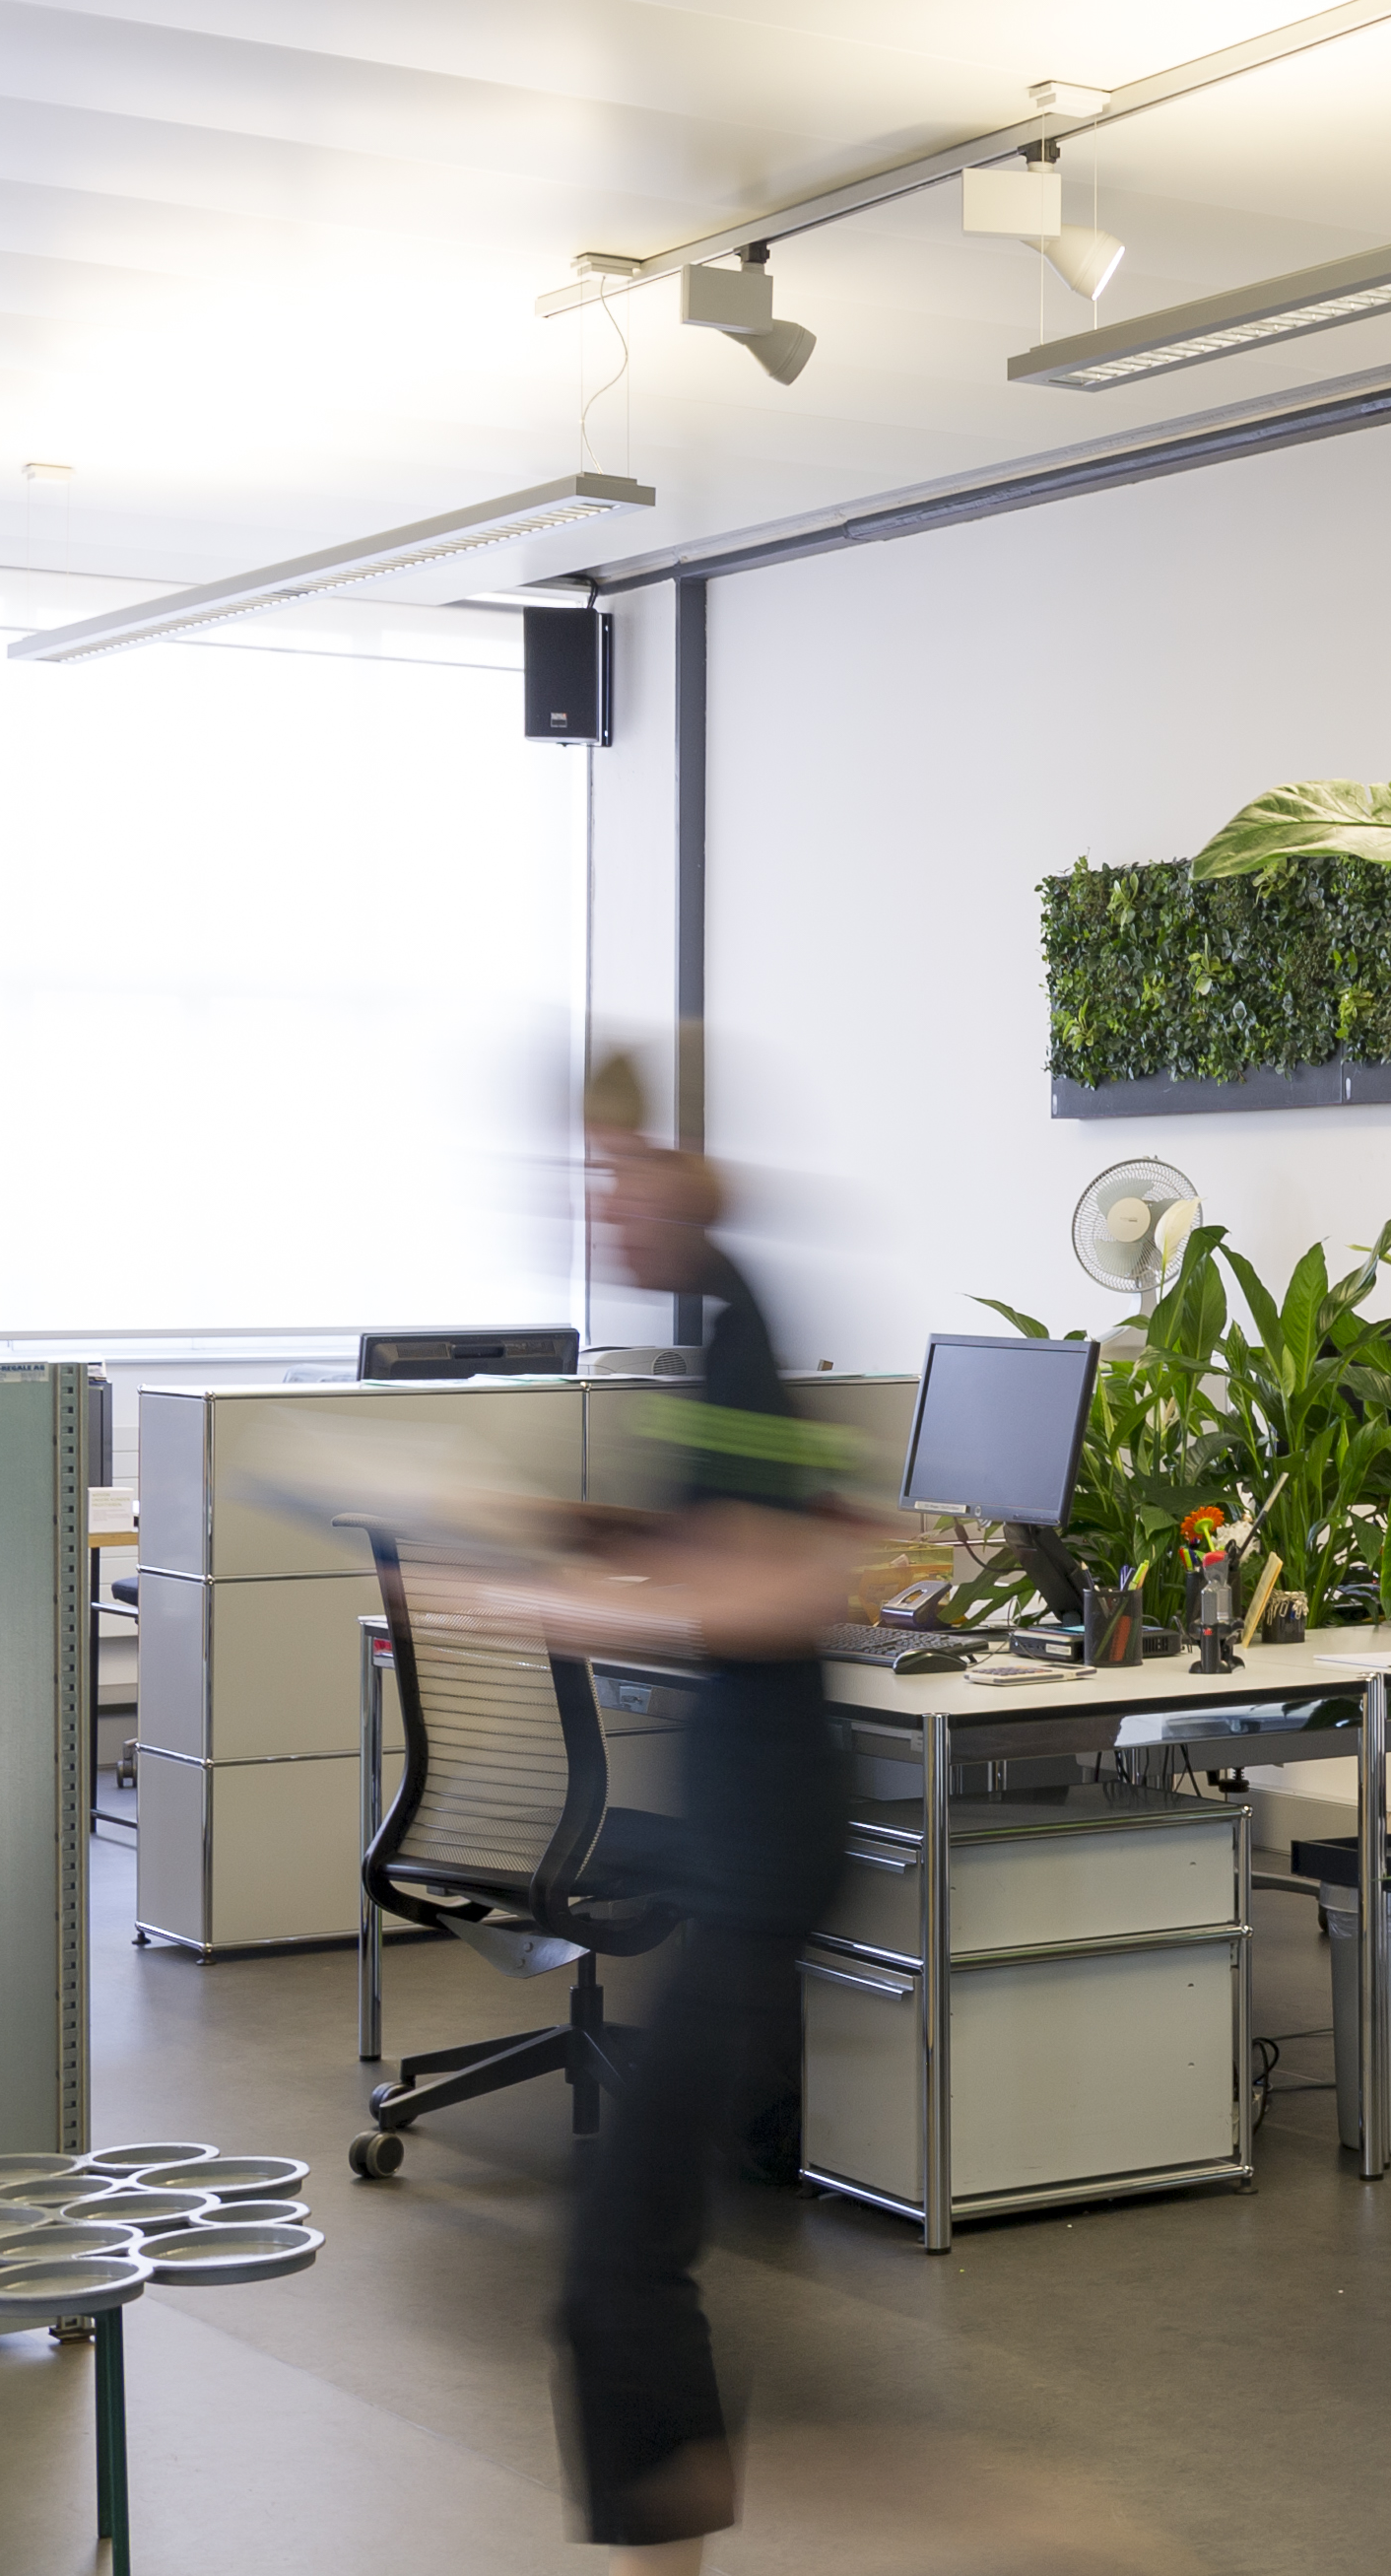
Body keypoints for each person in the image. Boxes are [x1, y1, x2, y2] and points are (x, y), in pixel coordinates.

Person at [542, 1059, 868, 2574]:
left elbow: (776, 1586)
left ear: (679, 1171)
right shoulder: (729, 1324)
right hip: (756, 1836)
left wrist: (545, 1592)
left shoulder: (736, 1323)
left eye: (614, 1176)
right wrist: (616, 1532)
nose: (597, 1208)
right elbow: (792, 1531)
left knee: (622, 2261)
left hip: (763, 1845)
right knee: (626, 2260)